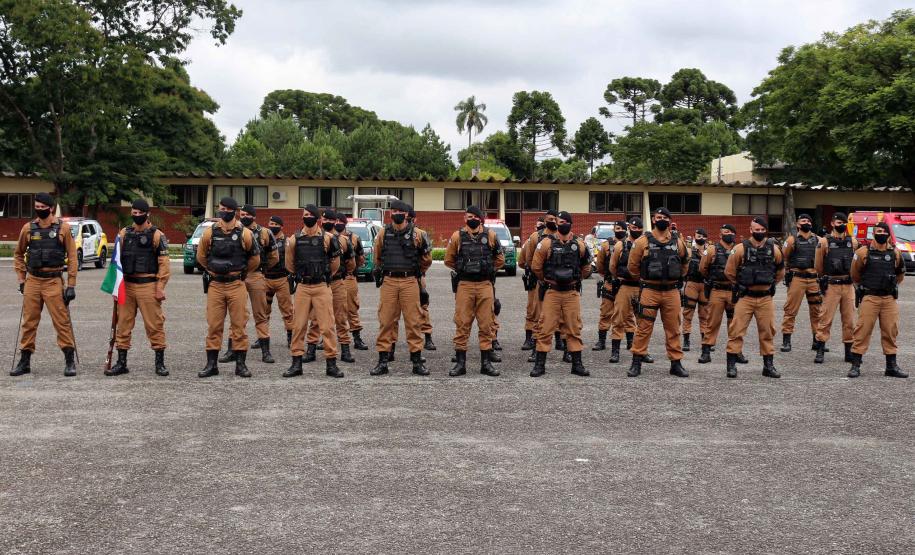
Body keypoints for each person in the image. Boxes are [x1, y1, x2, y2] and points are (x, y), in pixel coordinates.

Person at [11, 192, 78, 377]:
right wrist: (21, 279)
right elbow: (18, 254)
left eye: (42, 208)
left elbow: (72, 257)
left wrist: (71, 285)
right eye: (36, 207)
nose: (39, 211)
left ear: (50, 208)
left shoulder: (63, 228)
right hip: (33, 280)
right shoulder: (28, 228)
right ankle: (24, 362)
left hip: (53, 281)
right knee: (29, 323)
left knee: (61, 321)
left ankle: (69, 361)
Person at [105, 198, 171, 377]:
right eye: (133, 213)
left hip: (148, 285)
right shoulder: (124, 233)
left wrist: (160, 286)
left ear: (147, 214)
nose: (136, 216)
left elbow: (164, 264)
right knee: (123, 324)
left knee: (155, 325)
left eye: (139, 213)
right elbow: (116, 261)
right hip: (126, 285)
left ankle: (159, 363)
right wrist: (115, 287)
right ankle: (121, 362)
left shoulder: (157, 235)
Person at [196, 197, 261, 378]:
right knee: (214, 325)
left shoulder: (244, 233)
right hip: (216, 285)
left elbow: (255, 259)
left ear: (234, 211)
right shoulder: (210, 232)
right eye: (221, 208)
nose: (223, 211)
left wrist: (242, 273)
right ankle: (211, 365)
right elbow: (201, 256)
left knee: (239, 324)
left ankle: (240, 365)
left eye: (226, 209)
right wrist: (212, 270)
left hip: (236, 284)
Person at [370, 200, 433, 376]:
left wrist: (416, 272)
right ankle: (383, 361)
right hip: (389, 281)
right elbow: (378, 257)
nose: (395, 214)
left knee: (413, 322)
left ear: (406, 214)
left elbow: (426, 259)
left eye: (399, 211)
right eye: (392, 211)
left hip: (410, 281)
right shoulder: (384, 233)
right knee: (386, 321)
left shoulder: (418, 234)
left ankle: (416, 361)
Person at [626, 207, 689, 378]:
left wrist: (676, 278)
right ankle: (636, 362)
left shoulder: (678, 241)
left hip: (671, 292)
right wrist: (646, 279)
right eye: (658, 217)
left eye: (664, 217)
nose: (661, 219)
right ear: (653, 219)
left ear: (670, 220)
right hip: (650, 290)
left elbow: (685, 263)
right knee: (643, 328)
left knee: (674, 328)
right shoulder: (642, 241)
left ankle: (676, 363)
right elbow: (633, 267)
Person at [284, 205, 344, 378]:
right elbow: (289, 264)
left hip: (321, 287)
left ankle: (331, 364)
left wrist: (322, 277)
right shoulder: (294, 239)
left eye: (311, 215)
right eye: (305, 215)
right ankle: (296, 364)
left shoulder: (328, 238)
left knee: (327, 326)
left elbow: (335, 264)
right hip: (302, 287)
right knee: (299, 326)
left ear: (317, 218)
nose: (307, 217)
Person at [529, 211, 591, 377]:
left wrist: (576, 279)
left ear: (570, 223)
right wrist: (547, 280)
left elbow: (586, 268)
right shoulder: (546, 243)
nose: (561, 224)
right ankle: (539, 365)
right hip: (552, 292)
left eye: (564, 221)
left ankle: (577, 364)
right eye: (559, 221)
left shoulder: (579, 244)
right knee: (545, 327)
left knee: (574, 327)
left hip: (571, 293)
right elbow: (536, 267)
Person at [444, 205, 505, 376]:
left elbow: (500, 259)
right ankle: (460, 364)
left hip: (485, 285)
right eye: (467, 216)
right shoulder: (457, 236)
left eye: (473, 216)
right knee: (462, 323)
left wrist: (486, 268)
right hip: (465, 285)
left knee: (486, 324)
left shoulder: (490, 235)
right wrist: (464, 267)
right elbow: (449, 260)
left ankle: (486, 363)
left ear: (480, 218)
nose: (469, 219)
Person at [725, 217, 785, 379]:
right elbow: (729, 271)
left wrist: (771, 284)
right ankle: (731, 365)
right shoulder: (739, 249)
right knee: (736, 330)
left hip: (765, 298)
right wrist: (740, 284)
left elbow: (780, 271)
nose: (759, 232)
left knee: (768, 331)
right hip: (746, 297)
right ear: (750, 230)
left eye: (762, 230)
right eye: (756, 230)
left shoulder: (774, 249)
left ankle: (768, 366)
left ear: (765, 231)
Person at [219, 204, 279, 364]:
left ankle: (265, 351)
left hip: (255, 275)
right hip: (237, 276)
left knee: (261, 314)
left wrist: (261, 269)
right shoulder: (234, 230)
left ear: (253, 216)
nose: (243, 216)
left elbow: (274, 257)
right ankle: (232, 349)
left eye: (247, 214)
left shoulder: (265, 233)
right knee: (236, 314)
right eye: (242, 214)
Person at [848, 222, 907, 378]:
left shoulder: (895, 253)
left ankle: (891, 366)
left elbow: (900, 274)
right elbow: (855, 274)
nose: (880, 233)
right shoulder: (862, 252)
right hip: (870, 297)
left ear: (888, 234)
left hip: (888, 299)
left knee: (890, 330)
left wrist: (889, 285)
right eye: (877, 231)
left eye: (883, 231)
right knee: (862, 330)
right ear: (873, 233)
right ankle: (855, 365)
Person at [304, 209, 356, 364]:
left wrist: (341, 273)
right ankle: (311, 350)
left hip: (336, 282)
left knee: (340, 316)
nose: (326, 222)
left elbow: (351, 263)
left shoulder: (343, 240)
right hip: (319, 283)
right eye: (324, 219)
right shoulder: (314, 239)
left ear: (335, 222)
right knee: (314, 318)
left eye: (329, 220)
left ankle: (345, 350)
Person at [697, 224, 747, 365]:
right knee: (712, 322)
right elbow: (703, 269)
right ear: (720, 235)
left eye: (730, 232)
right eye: (725, 232)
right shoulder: (712, 249)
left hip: (734, 292)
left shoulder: (739, 250)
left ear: (734, 234)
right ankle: (706, 351)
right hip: (717, 291)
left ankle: (737, 351)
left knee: (735, 323)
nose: (728, 234)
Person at [609, 217, 654, 365]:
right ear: (629, 228)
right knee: (618, 318)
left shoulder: (646, 245)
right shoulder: (621, 245)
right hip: (625, 286)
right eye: (633, 228)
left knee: (643, 321)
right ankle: (615, 351)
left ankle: (642, 351)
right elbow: (612, 267)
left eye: (638, 228)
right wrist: (620, 277)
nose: (635, 231)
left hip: (642, 287)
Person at [813, 212, 857, 364]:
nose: (841, 225)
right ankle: (820, 350)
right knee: (825, 319)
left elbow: (856, 264)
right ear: (832, 223)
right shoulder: (824, 242)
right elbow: (818, 265)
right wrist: (823, 279)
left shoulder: (853, 242)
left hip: (848, 285)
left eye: (844, 222)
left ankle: (848, 352)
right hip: (831, 285)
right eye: (838, 222)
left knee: (849, 320)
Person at [780, 213, 825, 352]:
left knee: (817, 311)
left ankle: (816, 340)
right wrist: (787, 274)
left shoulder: (819, 240)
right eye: (803, 221)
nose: (807, 223)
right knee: (790, 310)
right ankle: (786, 341)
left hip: (813, 279)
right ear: (798, 224)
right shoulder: (792, 240)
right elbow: (784, 258)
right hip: (797, 278)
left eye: (808, 221)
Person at [263, 216, 295, 348]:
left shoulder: (287, 241)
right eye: (271, 223)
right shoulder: (264, 240)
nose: (273, 226)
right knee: (263, 311)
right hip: (266, 279)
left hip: (282, 279)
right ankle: (262, 336)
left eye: (276, 224)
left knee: (287, 311)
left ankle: (290, 337)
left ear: (281, 226)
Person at [338, 213, 368, 350]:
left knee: (352, 308)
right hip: (331, 279)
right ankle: (325, 338)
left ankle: (357, 338)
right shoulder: (326, 237)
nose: (337, 223)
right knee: (329, 310)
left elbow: (361, 259)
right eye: (335, 220)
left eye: (340, 221)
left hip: (349, 277)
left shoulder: (354, 238)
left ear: (345, 223)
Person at [409, 207, 437, 352]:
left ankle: (427, 337)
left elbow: (427, 259)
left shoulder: (421, 235)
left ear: (415, 219)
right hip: (396, 279)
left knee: (423, 306)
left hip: (417, 277)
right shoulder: (390, 233)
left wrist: (419, 272)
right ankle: (390, 345)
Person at [518, 216, 545, 350]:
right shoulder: (532, 239)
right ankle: (530, 339)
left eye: (540, 225)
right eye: (537, 226)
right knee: (533, 310)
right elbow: (523, 261)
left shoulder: (534, 238)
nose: (538, 228)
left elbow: (522, 262)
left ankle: (557, 339)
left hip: (545, 279)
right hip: (535, 280)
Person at [681, 228, 710, 353]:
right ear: (694, 236)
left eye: (703, 236)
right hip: (691, 283)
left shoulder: (709, 251)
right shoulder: (688, 250)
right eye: (698, 235)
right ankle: (686, 340)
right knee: (688, 314)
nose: (700, 238)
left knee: (704, 315)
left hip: (704, 285)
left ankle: (705, 341)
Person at [591, 223, 620, 351]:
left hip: (626, 285)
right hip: (609, 283)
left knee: (628, 315)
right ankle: (601, 341)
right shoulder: (606, 245)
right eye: (618, 228)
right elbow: (600, 265)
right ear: (614, 230)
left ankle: (630, 342)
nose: (620, 231)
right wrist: (607, 276)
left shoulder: (633, 245)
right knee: (605, 313)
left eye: (622, 228)